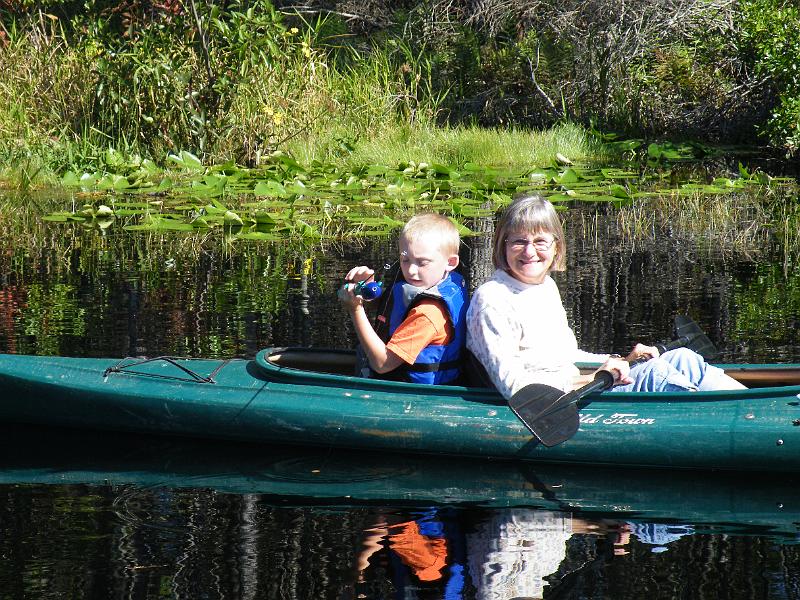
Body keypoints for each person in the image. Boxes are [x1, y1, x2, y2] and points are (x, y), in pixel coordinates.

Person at [466, 193, 746, 398]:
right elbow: (516, 386)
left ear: (556, 246)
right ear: (503, 246)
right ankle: (737, 424)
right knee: (656, 376)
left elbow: (563, 357)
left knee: (682, 357)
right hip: (561, 402)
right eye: (518, 241)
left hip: (580, 382)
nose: (529, 252)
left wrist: (624, 359)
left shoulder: (544, 286)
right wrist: (599, 377)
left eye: (540, 241)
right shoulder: (492, 301)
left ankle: (764, 409)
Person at [339, 212, 469, 384]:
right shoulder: (439, 280)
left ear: (451, 262)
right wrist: (366, 288)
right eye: (405, 260)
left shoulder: (429, 313)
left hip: (415, 397)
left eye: (422, 262)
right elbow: (392, 305)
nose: (411, 270)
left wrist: (355, 309)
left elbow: (382, 364)